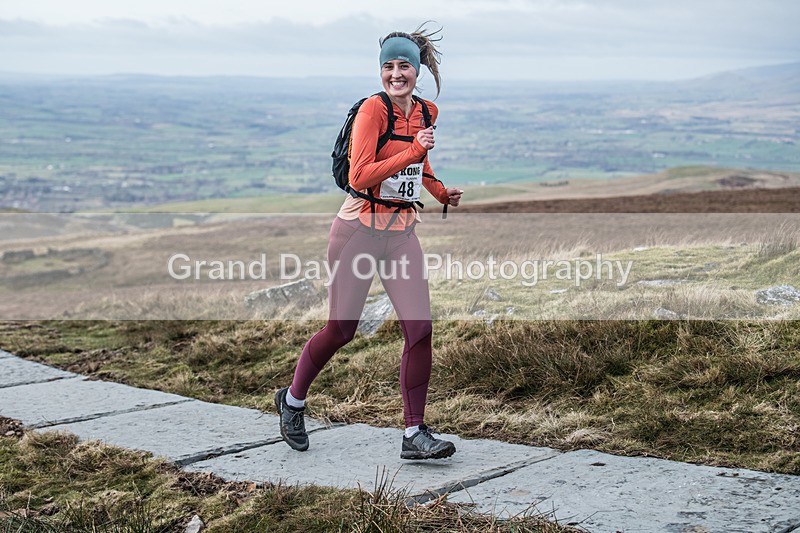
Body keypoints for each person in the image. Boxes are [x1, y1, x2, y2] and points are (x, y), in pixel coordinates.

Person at [274, 23, 463, 460]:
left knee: (420, 330)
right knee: (342, 329)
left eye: (404, 66)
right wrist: (413, 151)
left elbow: (417, 168)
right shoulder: (372, 111)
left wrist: (439, 192)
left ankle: (414, 433)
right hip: (357, 231)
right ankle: (293, 401)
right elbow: (360, 176)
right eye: (388, 66)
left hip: (400, 232)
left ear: (417, 71)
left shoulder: (427, 111)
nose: (396, 74)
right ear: (381, 71)